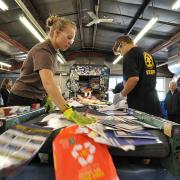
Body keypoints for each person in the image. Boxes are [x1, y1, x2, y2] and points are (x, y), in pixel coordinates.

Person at [7, 15, 76, 115]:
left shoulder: (53, 52)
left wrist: (48, 96)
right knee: (19, 130)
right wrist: (67, 110)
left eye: (72, 40)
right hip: (21, 99)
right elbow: (48, 83)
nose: (71, 42)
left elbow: (44, 81)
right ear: (57, 33)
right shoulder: (44, 51)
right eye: (69, 37)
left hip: (34, 98)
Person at [112, 35, 161, 116]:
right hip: (153, 101)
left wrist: (121, 94)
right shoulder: (147, 54)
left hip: (140, 102)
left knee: (139, 128)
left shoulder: (130, 54)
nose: (121, 55)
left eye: (120, 51)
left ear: (123, 43)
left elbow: (133, 78)